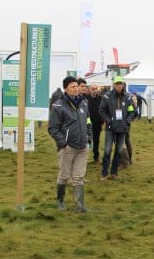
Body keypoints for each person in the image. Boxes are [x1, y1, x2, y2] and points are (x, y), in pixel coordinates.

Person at [48, 76, 93, 212]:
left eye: (76, 86)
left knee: (79, 177)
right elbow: (52, 129)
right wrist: (63, 143)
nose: (76, 89)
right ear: (65, 88)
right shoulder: (58, 106)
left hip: (83, 147)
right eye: (72, 86)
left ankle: (80, 205)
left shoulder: (84, 103)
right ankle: (60, 201)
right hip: (68, 148)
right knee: (64, 176)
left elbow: (88, 121)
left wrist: (89, 137)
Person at [99, 76, 135, 179]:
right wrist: (109, 121)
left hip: (122, 129)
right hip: (110, 128)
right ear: (114, 85)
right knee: (107, 150)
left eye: (120, 83)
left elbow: (131, 111)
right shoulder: (107, 96)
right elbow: (101, 110)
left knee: (118, 151)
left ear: (123, 84)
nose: (119, 85)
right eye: (117, 83)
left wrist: (127, 122)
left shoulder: (128, 97)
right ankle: (104, 173)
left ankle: (114, 173)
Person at [87, 84, 103, 163]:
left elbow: (104, 110)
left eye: (96, 88)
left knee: (96, 141)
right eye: (93, 89)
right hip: (87, 124)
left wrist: (102, 120)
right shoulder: (86, 99)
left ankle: (96, 157)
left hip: (97, 124)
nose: (94, 90)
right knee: (87, 141)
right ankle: (83, 158)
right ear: (89, 90)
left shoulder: (101, 99)